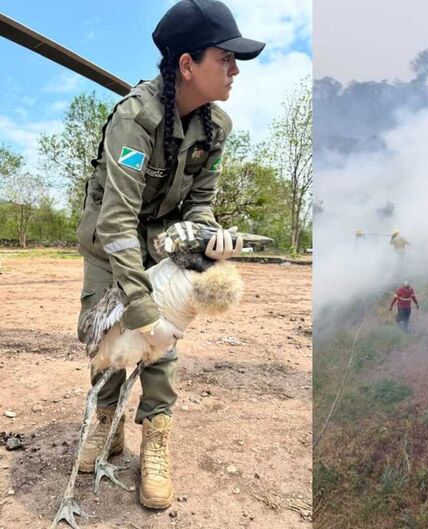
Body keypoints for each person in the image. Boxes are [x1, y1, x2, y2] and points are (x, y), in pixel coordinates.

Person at [73, 0, 264, 510]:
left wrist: (209, 238)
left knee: (165, 340)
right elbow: (116, 221)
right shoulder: (135, 118)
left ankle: (155, 436)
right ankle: (105, 426)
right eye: (225, 58)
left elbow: (200, 205)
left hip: (161, 238)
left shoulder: (215, 128)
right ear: (187, 64)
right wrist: (140, 308)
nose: (235, 70)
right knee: (112, 335)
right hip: (110, 238)